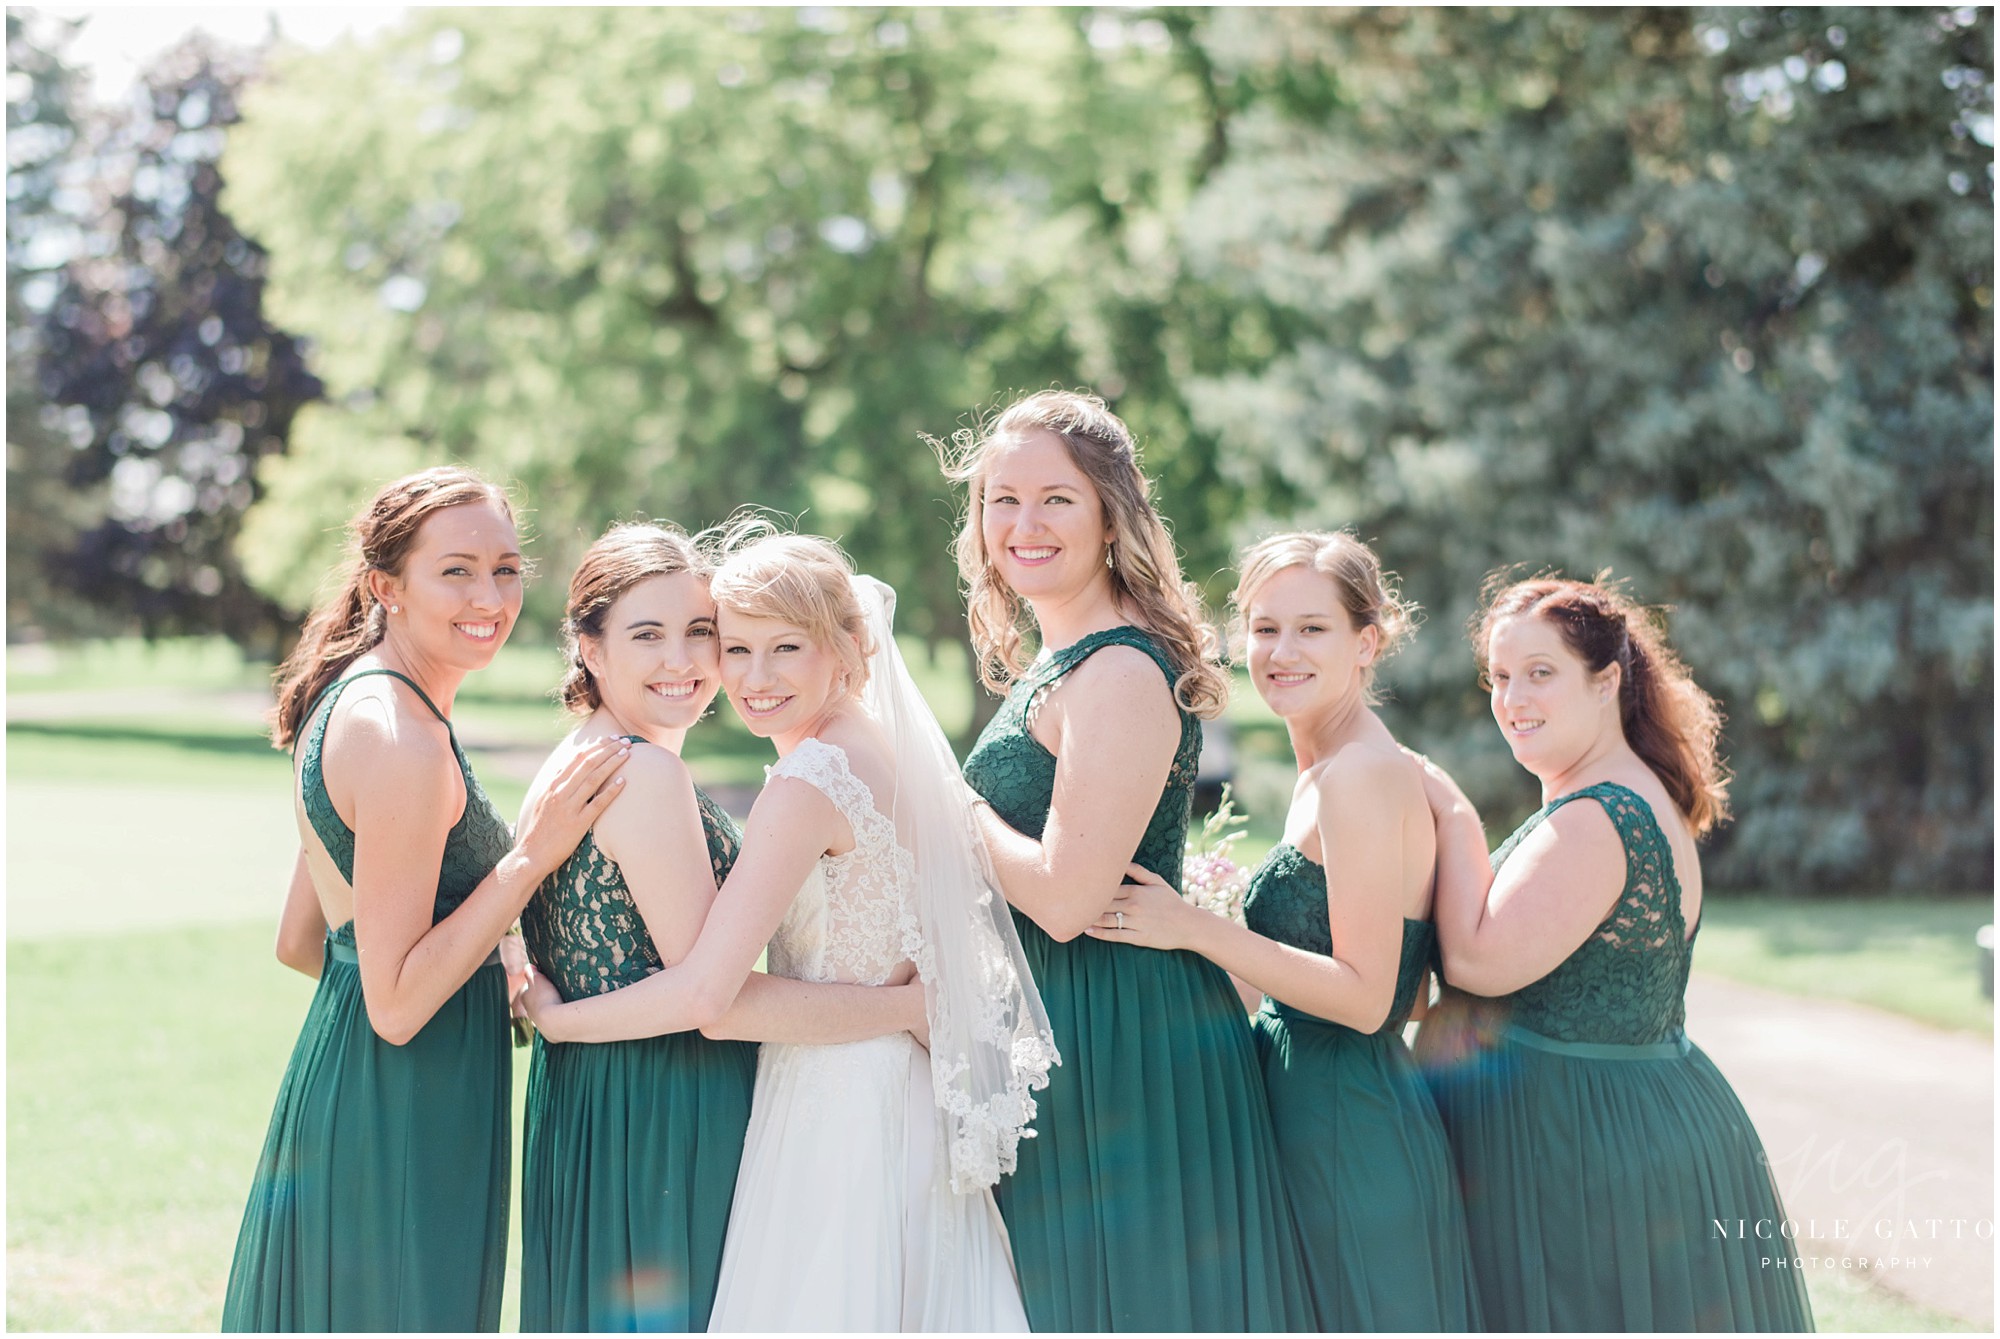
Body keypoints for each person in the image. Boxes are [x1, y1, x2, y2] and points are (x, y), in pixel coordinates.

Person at [524, 527, 1053, 1331]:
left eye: (784, 648)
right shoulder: (873, 749)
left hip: (834, 1095)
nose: (751, 676)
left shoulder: (810, 777)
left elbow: (714, 994)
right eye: (734, 646)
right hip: (893, 1092)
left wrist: (560, 1019)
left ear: (846, 647)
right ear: (590, 651)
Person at [222, 467, 630, 1332]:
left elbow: (305, 940)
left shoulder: (364, 702)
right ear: (386, 586)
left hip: (371, 1087)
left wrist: (489, 952)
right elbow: (399, 1002)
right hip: (404, 1107)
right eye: (456, 569)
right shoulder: (398, 736)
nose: (491, 594)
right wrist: (527, 859)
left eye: (508, 567)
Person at [943, 390, 1313, 1332]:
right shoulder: (1060, 656)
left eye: (1056, 499)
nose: (1023, 524)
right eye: (1001, 499)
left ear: (1111, 513)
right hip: (1064, 1019)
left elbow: (1068, 898)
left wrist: (953, 805)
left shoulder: (1117, 671)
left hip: (1118, 1034)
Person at [1085, 530, 1481, 1330]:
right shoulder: (1335, 765)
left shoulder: (1360, 775)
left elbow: (1372, 999)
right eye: (1264, 628)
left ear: (1368, 642)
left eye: (1312, 628)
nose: (1281, 650)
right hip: (1318, 1108)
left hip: (1350, 1130)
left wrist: (1192, 927)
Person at [1418, 575, 1815, 1332]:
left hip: (1589, 1152)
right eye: (1500, 676)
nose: (1512, 698)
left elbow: (1475, 960)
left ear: (1605, 682)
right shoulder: (1625, 793)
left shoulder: (1601, 816)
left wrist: (1450, 811)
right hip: (1631, 1124)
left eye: (1541, 673)